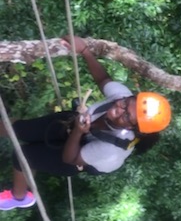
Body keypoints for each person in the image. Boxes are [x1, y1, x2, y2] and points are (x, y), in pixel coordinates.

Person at [0, 36, 172, 211]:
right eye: (125, 103)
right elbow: (103, 79)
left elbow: (70, 158)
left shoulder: (112, 150)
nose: (119, 109)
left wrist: (78, 132)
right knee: (17, 128)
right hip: (71, 124)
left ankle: (19, 197)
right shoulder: (121, 97)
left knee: (22, 156)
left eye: (126, 116)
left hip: (77, 157)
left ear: (131, 128)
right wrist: (84, 51)